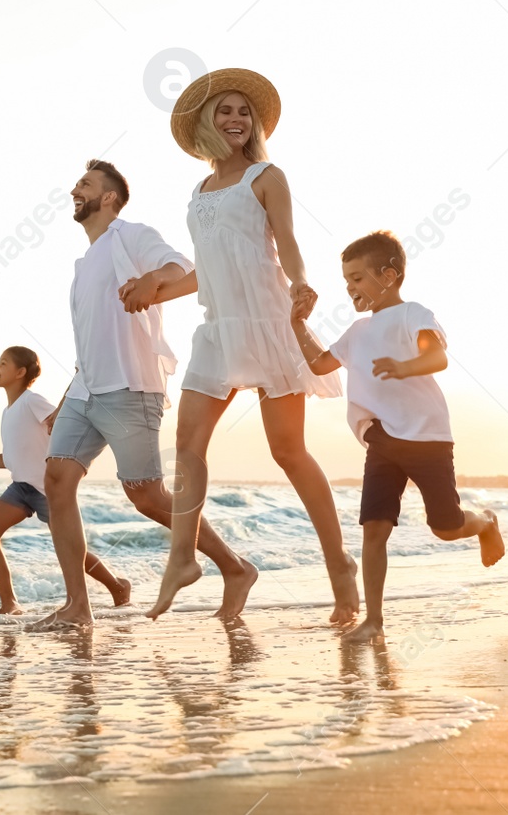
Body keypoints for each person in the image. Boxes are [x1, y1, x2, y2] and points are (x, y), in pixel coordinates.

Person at [127, 69, 360, 624]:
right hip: (219, 326)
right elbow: (206, 273)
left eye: (244, 112)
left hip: (270, 321)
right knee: (187, 443)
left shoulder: (266, 175)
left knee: (288, 451)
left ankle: (340, 567)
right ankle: (182, 558)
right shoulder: (199, 190)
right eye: (225, 111)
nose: (236, 119)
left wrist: (302, 285)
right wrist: (153, 290)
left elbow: (287, 243)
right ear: (205, 122)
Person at [32, 160, 259, 632]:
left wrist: (155, 281)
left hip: (130, 387)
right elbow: (90, 341)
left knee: (148, 496)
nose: (75, 190)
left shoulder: (129, 235)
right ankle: (78, 604)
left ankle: (235, 567)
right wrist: (64, 399)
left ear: (109, 197)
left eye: (86, 185)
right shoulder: (84, 262)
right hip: (85, 390)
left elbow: (183, 264)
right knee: (56, 483)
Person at [288, 229, 505, 644]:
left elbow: (436, 355)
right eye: (346, 280)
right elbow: (318, 364)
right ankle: (375, 620)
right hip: (382, 441)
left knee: (445, 527)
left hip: (427, 439)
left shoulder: (415, 315)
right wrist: (298, 325)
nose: (350, 288)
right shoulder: (355, 333)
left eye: (357, 278)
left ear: (389, 275)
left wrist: (405, 368)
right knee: (374, 528)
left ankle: (485, 522)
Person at [0, 346, 132, 614]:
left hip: (48, 489)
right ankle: (9, 604)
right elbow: (10, 458)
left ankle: (116, 586)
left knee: (69, 547)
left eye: (3, 364)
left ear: (20, 372)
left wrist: (62, 417)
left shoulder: (31, 401)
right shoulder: (8, 412)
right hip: (21, 488)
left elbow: (61, 424)